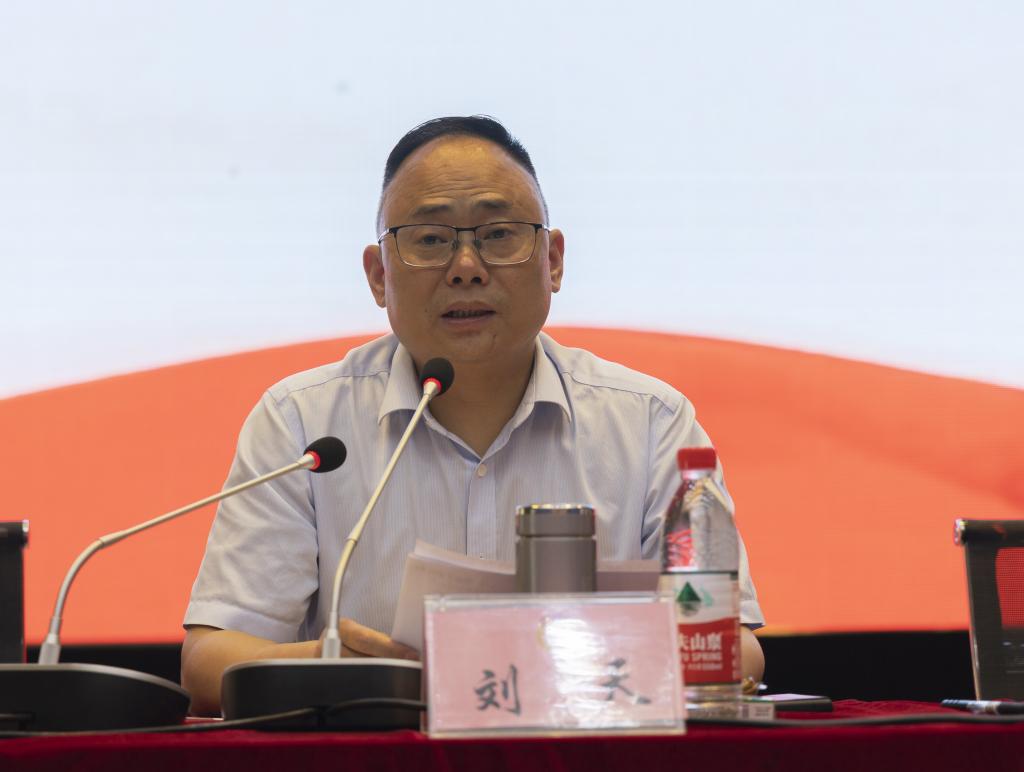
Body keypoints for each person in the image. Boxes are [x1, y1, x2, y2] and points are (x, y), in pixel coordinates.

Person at [181, 116, 765, 715]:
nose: (466, 266)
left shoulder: (649, 423)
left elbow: (734, 651)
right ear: (379, 276)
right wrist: (342, 668)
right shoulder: (304, 423)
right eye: (431, 240)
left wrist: (556, 665)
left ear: (553, 260)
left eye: (498, 234)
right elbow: (209, 661)